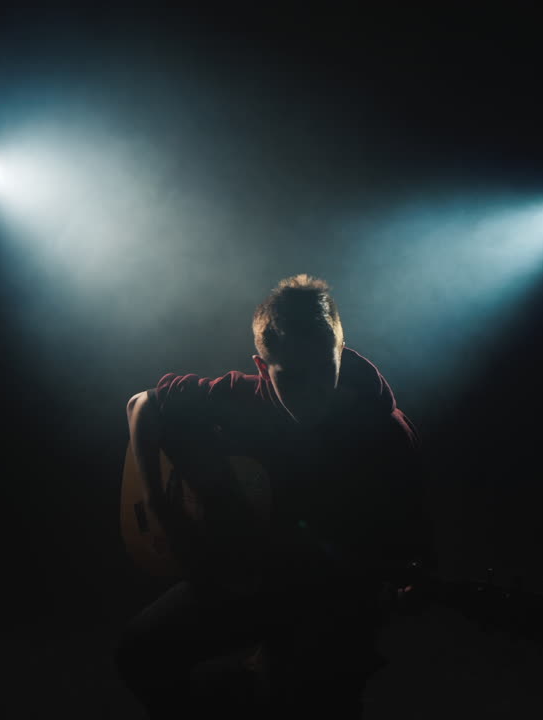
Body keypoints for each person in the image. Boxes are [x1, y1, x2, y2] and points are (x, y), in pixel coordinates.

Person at [115, 274, 433, 718]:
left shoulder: (386, 435)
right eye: (293, 378)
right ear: (263, 367)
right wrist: (161, 507)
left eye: (324, 372)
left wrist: (406, 587)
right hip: (252, 573)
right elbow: (142, 405)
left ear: (341, 352)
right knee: (139, 653)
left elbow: (411, 542)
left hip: (328, 596)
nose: (312, 394)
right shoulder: (248, 395)